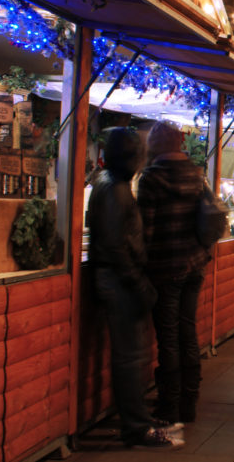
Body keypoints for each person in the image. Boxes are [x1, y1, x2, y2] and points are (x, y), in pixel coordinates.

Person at [88, 127, 183, 449]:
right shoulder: (115, 190)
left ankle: (137, 418)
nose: (142, 159)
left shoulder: (109, 183)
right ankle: (136, 427)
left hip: (118, 279)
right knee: (129, 357)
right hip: (120, 281)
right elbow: (116, 246)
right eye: (138, 153)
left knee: (131, 355)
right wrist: (139, 283)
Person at [137, 121, 213, 424]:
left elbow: (146, 230)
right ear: (180, 143)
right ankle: (190, 400)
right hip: (194, 263)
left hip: (165, 267)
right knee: (188, 331)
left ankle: (169, 403)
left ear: (154, 145)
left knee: (168, 336)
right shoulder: (196, 174)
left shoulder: (152, 178)